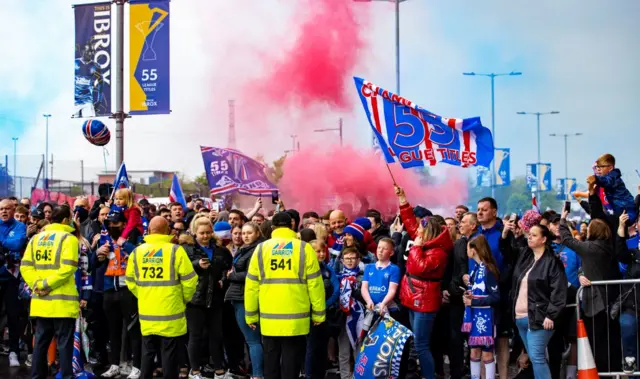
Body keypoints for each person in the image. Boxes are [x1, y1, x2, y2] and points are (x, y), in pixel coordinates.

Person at [244, 212, 326, 379]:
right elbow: (315, 285)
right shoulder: (304, 249)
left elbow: (251, 285)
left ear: (272, 228)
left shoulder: (261, 249)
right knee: (292, 364)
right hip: (296, 320)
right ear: (292, 225)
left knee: (271, 363)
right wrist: (319, 313)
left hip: (269, 319)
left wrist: (251, 315)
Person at [126, 216, 198, 379]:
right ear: (167, 231)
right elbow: (190, 280)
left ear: (149, 230)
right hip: (171, 313)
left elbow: (130, 281)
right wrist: (183, 299)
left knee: (148, 353)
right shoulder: (175, 250)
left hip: (147, 312)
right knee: (169, 356)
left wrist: (143, 295)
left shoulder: (137, 252)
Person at [21, 204, 79, 379]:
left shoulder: (36, 239)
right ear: (65, 220)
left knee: (40, 344)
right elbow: (68, 268)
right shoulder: (68, 239)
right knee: (64, 345)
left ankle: (37, 376)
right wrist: (46, 284)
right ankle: (66, 376)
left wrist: (38, 285)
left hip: (41, 301)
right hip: (62, 303)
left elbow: (25, 267)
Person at [508, 223, 568, 379]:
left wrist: (551, 314)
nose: (530, 237)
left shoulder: (552, 261)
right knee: (536, 359)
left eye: (534, 235)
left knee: (537, 357)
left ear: (544, 239)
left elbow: (559, 291)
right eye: (529, 234)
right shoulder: (525, 257)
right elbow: (508, 252)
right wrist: (505, 235)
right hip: (520, 317)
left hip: (539, 317)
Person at [182, 216, 232, 379]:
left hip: (216, 298)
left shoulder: (220, 249)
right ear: (194, 232)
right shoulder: (186, 249)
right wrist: (196, 265)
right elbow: (180, 270)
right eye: (202, 233)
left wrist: (223, 279)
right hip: (195, 298)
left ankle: (219, 370)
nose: (205, 236)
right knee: (195, 336)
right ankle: (194, 371)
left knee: (216, 335)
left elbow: (227, 268)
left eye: (208, 232)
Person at [225, 222, 265, 379]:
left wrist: (231, 276)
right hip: (239, 296)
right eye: (243, 233)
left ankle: (257, 375)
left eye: (249, 233)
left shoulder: (256, 250)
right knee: (252, 340)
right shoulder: (245, 249)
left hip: (245, 297)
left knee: (253, 340)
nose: (245, 236)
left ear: (257, 233)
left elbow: (252, 275)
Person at [462, 235, 500, 379]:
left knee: (487, 353)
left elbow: (496, 297)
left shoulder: (489, 270)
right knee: (474, 352)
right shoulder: (475, 270)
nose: (466, 251)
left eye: (467, 248)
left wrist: (474, 302)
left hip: (487, 319)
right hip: (473, 317)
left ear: (474, 250)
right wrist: (467, 296)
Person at [305, 239, 339, 379]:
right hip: (310, 315)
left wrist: (325, 305)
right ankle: (309, 375)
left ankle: (320, 374)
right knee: (311, 348)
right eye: (317, 251)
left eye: (323, 251)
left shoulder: (328, 268)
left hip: (325, 313)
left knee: (321, 346)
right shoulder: (305, 269)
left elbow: (336, 289)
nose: (321, 254)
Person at [0, 199, 28, 367]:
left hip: (12, 278)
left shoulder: (19, 226)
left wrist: (2, 242)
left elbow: (17, 244)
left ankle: (14, 352)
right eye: (1, 209)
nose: (4, 211)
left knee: (13, 316)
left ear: (13, 209)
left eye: (7, 209)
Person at [335, 247, 364, 379]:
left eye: (353, 258)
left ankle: (358, 375)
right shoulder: (338, 277)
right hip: (343, 316)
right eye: (347, 258)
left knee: (358, 348)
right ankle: (345, 376)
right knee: (343, 350)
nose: (350, 261)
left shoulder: (363, 276)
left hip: (359, 317)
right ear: (342, 261)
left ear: (358, 260)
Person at [591, 153, 636, 222]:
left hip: (626, 211)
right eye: (597, 167)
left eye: (601, 167)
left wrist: (595, 178)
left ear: (611, 168)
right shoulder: (608, 178)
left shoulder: (613, 176)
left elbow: (607, 181)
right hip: (620, 210)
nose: (598, 169)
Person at [361, 238, 400, 315]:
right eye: (379, 247)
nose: (380, 250)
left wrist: (383, 303)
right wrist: (368, 301)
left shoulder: (394, 269)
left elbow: (392, 290)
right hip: (371, 306)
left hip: (387, 308)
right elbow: (364, 288)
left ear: (391, 253)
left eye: (384, 248)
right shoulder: (369, 267)